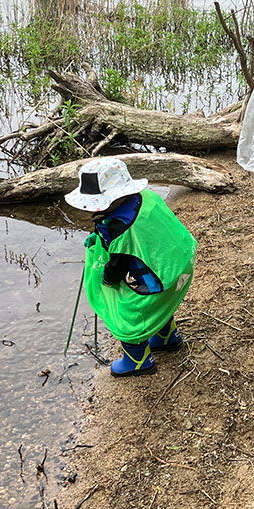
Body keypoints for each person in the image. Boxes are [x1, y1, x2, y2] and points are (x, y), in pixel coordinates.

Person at [66, 158, 196, 378]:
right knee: (161, 305)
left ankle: (138, 361)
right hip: (181, 263)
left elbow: (116, 269)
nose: (94, 208)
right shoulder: (147, 197)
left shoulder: (118, 228)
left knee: (132, 313)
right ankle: (166, 338)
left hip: (163, 279)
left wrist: (106, 280)